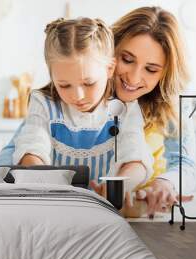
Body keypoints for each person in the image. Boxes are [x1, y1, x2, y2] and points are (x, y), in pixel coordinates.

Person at [0, 7, 196, 217]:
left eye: (151, 69)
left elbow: (184, 164)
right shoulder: (63, 96)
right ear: (109, 56)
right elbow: (21, 148)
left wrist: (166, 183)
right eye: (127, 59)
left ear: (165, 72)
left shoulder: (166, 104)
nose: (134, 78)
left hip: (141, 211)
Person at [12, 17, 153, 195]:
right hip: (55, 205)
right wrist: (45, 182)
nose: (77, 96)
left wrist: (119, 187)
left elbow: (135, 158)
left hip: (106, 208)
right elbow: (32, 149)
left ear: (110, 68)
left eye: (88, 83)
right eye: (64, 85)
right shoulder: (43, 103)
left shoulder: (126, 109)